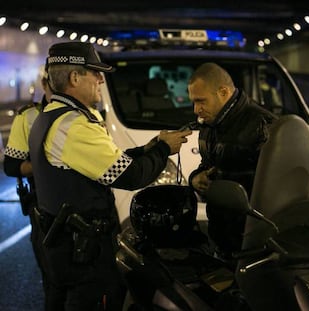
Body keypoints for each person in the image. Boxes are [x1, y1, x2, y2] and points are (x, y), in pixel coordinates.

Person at [28, 41, 192, 311]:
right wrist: (163, 149)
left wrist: (147, 148)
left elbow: (106, 160)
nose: (101, 79)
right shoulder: (75, 126)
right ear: (74, 77)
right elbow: (130, 175)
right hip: (84, 253)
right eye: (95, 72)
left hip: (65, 245)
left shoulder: (52, 116)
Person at [187, 62, 277, 257]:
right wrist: (195, 178)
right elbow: (209, 165)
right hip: (222, 238)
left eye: (201, 101)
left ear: (223, 92)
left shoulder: (263, 125)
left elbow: (275, 187)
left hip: (253, 243)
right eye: (193, 102)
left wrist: (221, 182)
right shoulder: (210, 125)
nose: (196, 110)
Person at [3, 65, 52, 297]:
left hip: (84, 204)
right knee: (53, 280)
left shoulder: (88, 115)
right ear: (44, 84)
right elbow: (12, 166)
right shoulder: (29, 116)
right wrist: (46, 165)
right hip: (43, 207)